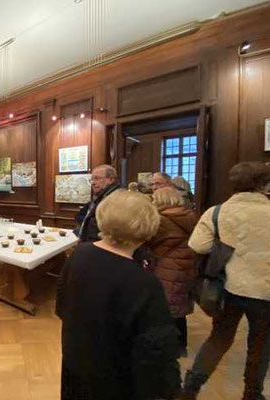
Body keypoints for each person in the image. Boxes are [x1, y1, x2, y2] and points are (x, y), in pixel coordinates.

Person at [57, 190, 181, 400]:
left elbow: (62, 307)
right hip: (116, 381)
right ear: (147, 228)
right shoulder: (145, 283)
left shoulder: (79, 254)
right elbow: (156, 353)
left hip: (77, 362)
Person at [180, 161, 270, 400]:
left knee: (219, 339)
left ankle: (190, 389)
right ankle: (252, 393)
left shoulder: (217, 212)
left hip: (230, 287)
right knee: (260, 345)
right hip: (265, 292)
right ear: (264, 184)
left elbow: (198, 245)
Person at [148, 187, 198, 358]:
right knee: (179, 306)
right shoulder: (190, 216)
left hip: (166, 267)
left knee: (165, 308)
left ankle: (167, 347)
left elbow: (149, 242)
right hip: (185, 266)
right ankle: (181, 345)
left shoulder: (162, 220)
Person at [74, 164, 120, 242]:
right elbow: (80, 216)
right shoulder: (99, 196)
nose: (93, 183)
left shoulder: (116, 198)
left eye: (97, 178)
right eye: (92, 179)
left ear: (111, 179)